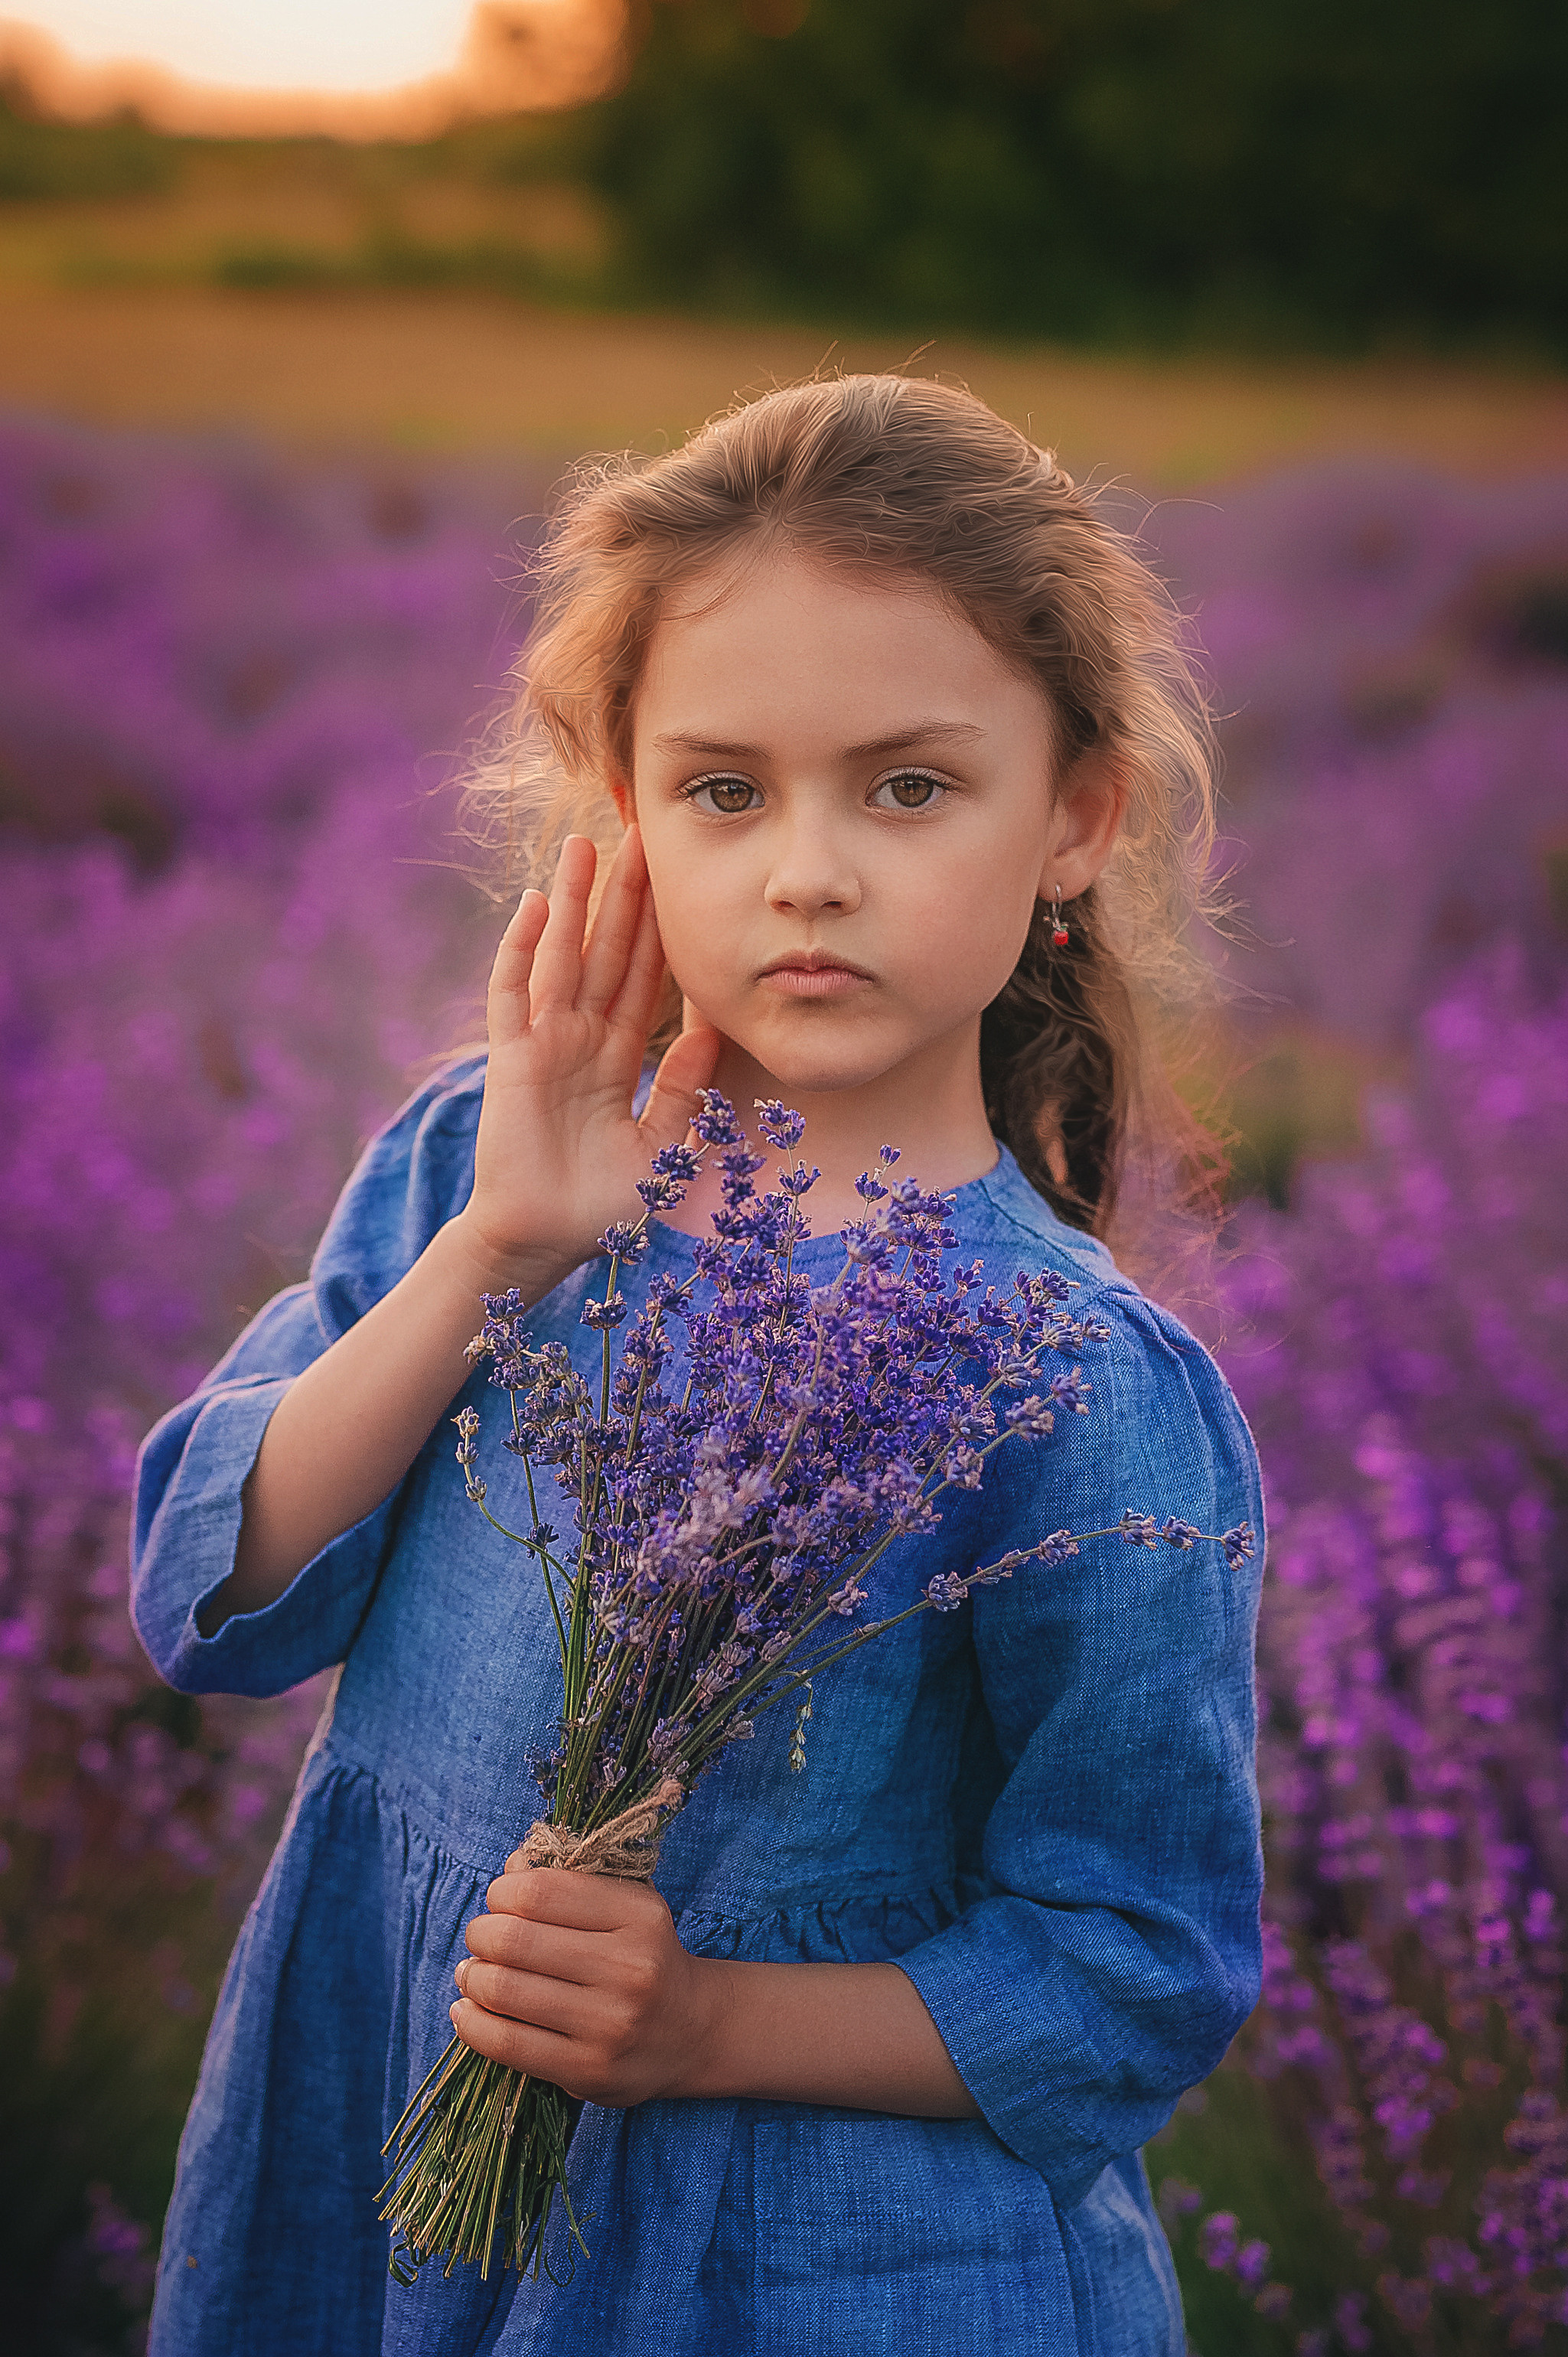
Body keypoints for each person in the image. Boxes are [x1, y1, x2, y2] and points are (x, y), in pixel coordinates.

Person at [132, 374, 1264, 2357]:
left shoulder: (1070, 1383)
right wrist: (499, 1247)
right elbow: (207, 1601)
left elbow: (1135, 1961)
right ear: (625, 809)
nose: (805, 872)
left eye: (906, 787)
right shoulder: (475, 1170)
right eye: (723, 789)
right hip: (386, 2138)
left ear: (1075, 815)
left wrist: (705, 2021)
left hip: (805, 2264)